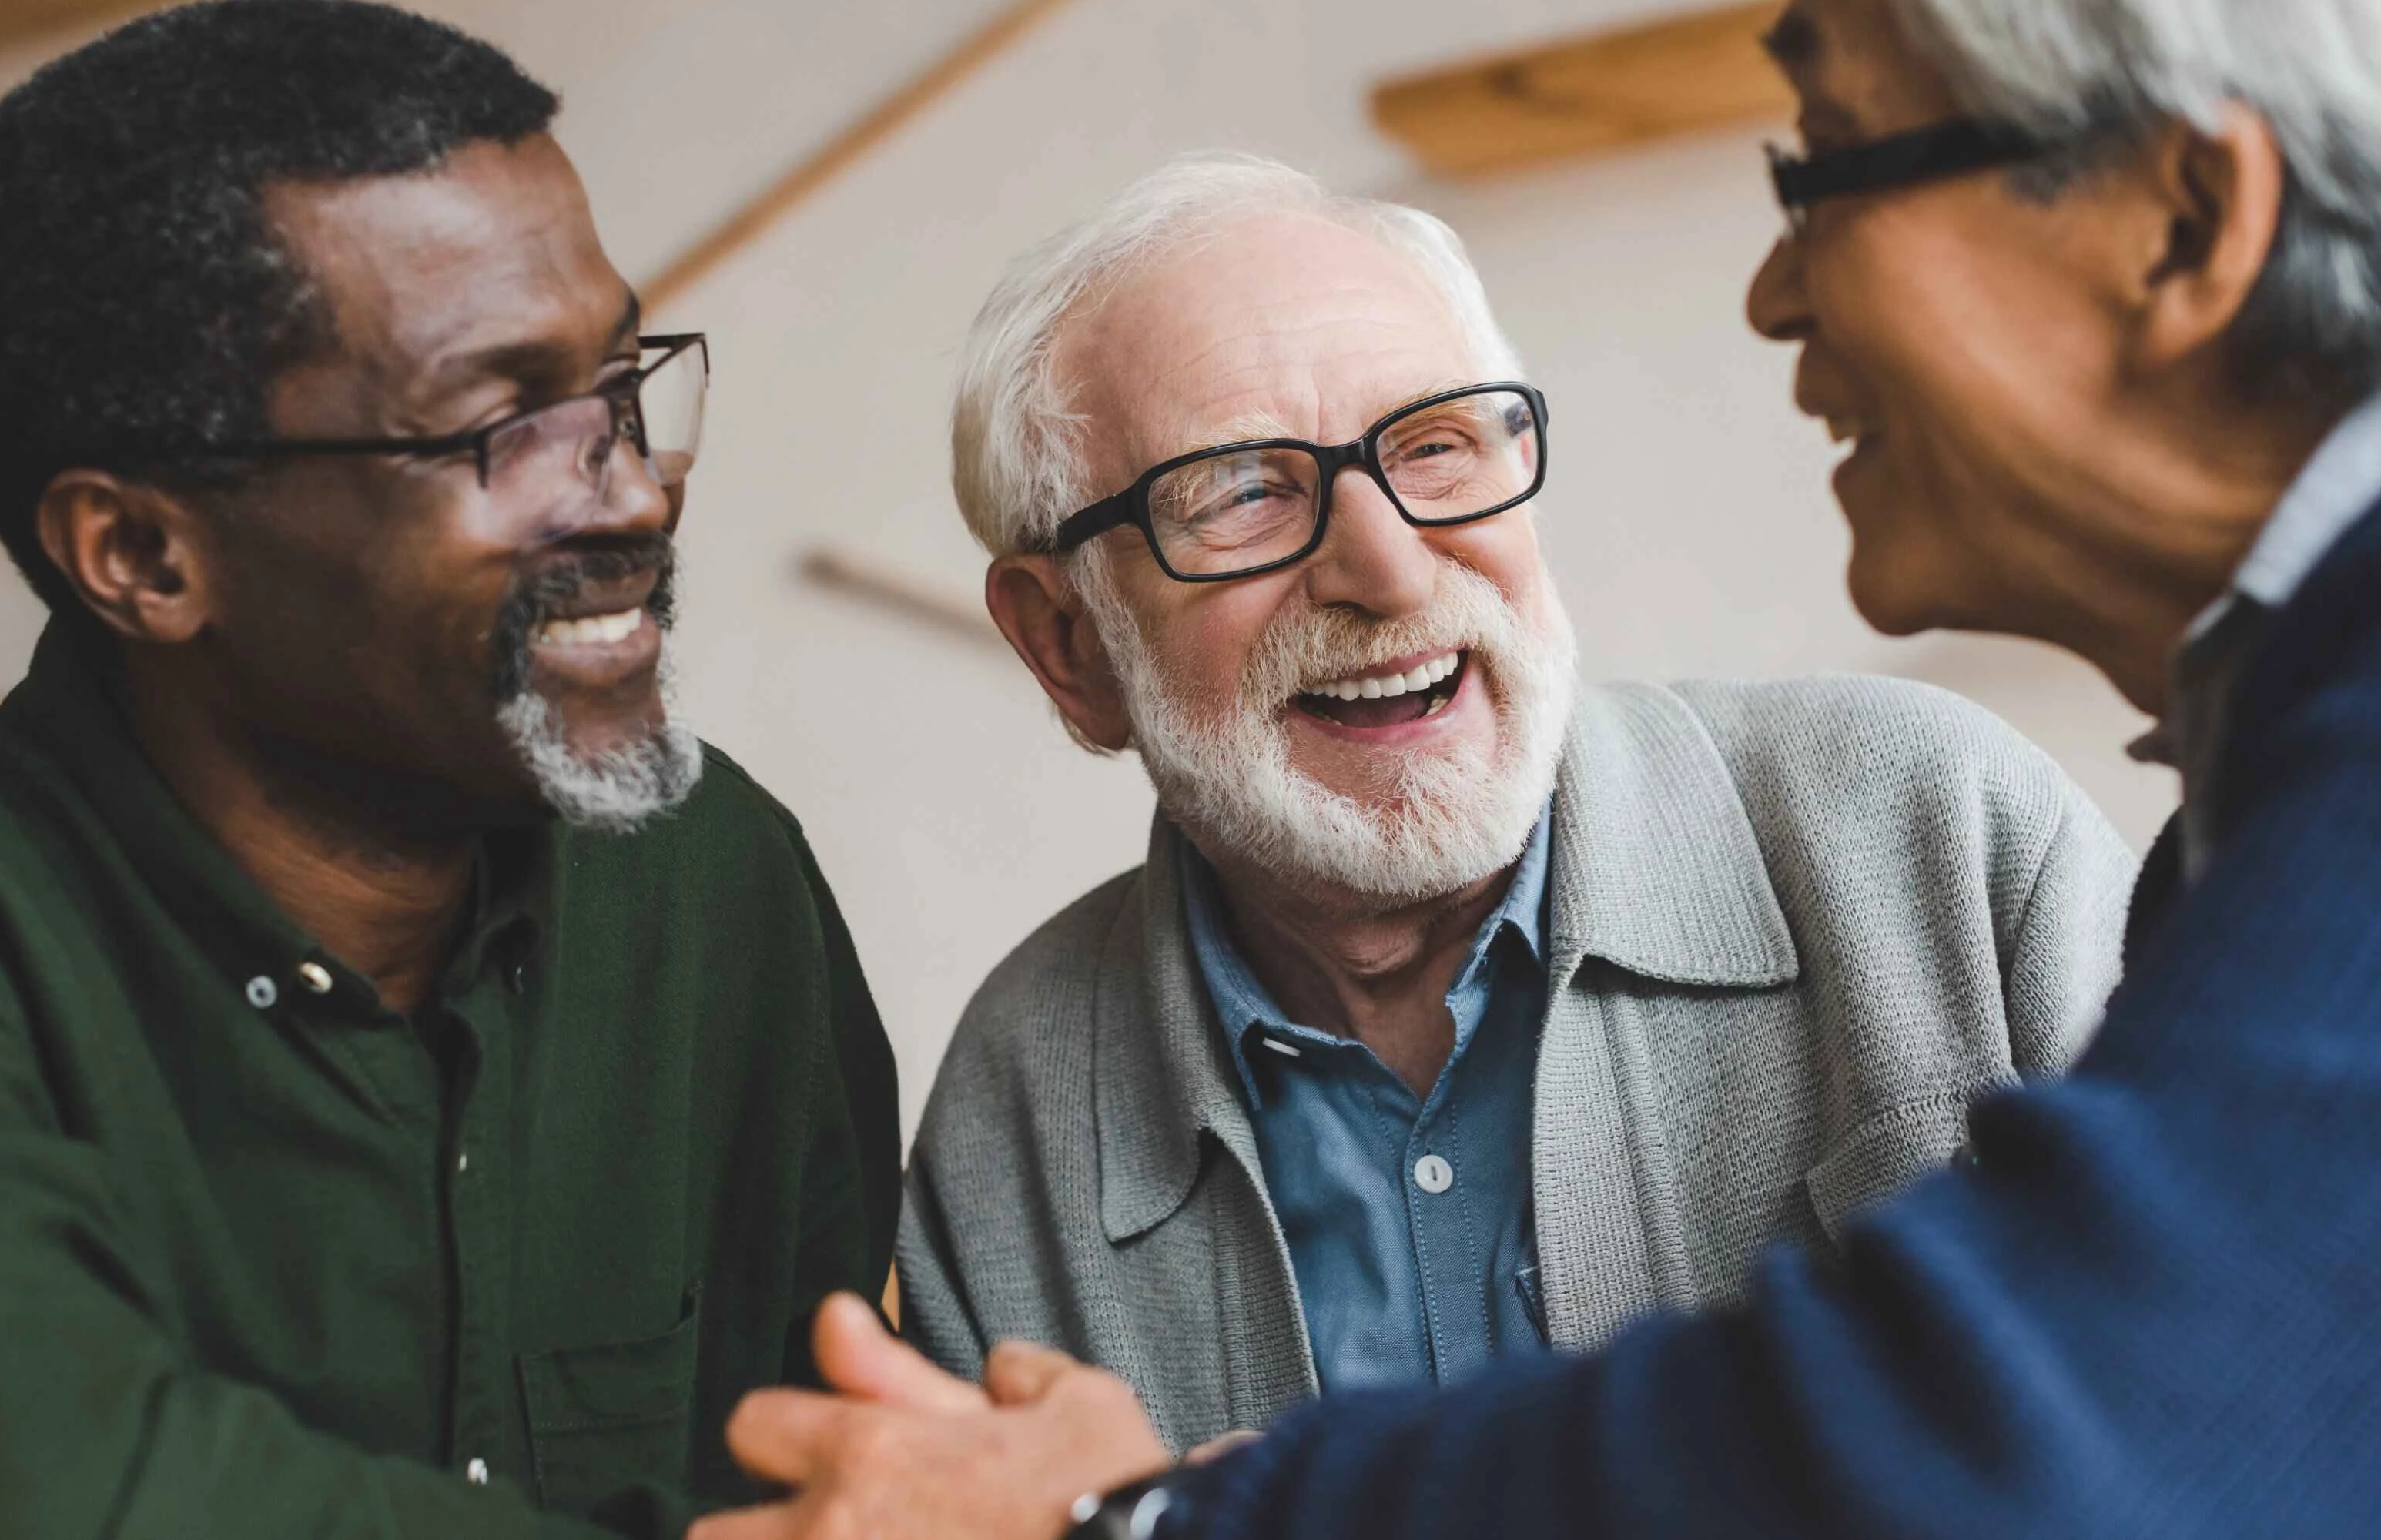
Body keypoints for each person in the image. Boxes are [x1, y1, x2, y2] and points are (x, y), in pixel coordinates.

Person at [691, 0, 2381, 1534]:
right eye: (1241, 495)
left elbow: (2095, 1422)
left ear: (2181, 226)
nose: (1771, 293)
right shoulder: (2359, 703)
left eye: (1821, 167)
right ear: (1063, 648)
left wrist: (1153, 1515)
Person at [0, 0, 897, 1540]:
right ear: (145, 554)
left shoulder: (711, 877)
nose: (629, 488)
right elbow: (13, 1498)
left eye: (624, 383)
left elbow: (838, 1467)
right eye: (499, 426)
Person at [890, 153, 2132, 1453]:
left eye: (1434, 446)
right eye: (1243, 492)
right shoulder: (1019, 1101)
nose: (1387, 564)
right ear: (1068, 645)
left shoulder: (1939, 835)